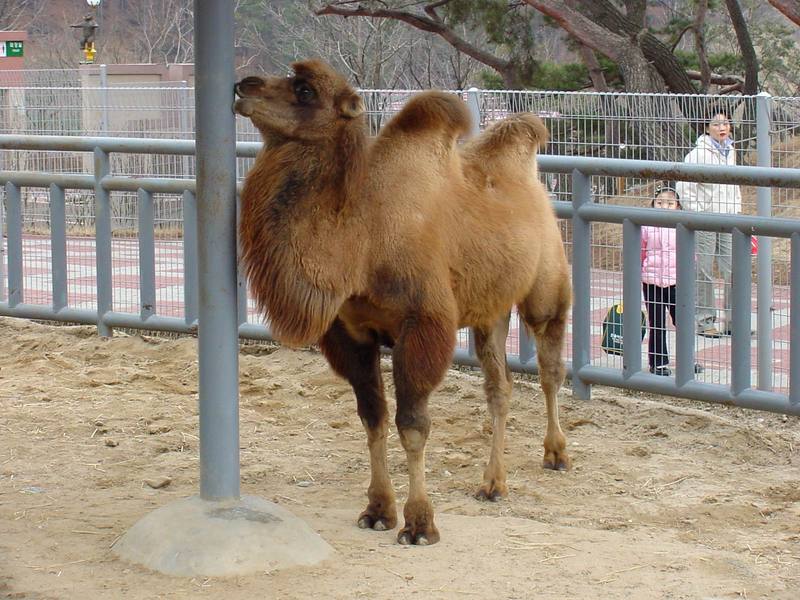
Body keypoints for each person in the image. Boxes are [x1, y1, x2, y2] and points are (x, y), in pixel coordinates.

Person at [675, 107, 742, 338]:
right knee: (703, 269)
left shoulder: (731, 151)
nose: (721, 128)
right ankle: (705, 321)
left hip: (728, 217)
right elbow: (684, 187)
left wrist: (736, 210)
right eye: (715, 124)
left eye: (725, 123)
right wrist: (699, 212)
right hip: (706, 219)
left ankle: (734, 320)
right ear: (706, 127)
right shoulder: (697, 154)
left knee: (733, 268)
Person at [641, 184, 704, 376]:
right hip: (651, 281)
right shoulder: (645, 225)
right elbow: (639, 251)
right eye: (659, 202)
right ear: (653, 204)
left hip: (677, 282)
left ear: (678, 206)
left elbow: (690, 253)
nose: (664, 206)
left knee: (682, 321)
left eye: (669, 203)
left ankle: (687, 360)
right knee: (657, 322)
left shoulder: (682, 226)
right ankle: (658, 363)